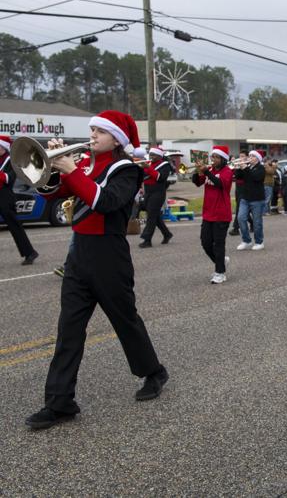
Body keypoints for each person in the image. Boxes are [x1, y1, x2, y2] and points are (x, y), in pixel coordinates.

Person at [25, 110, 167, 430]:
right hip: (79, 256)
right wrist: (49, 166)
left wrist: (74, 170)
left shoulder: (126, 170)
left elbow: (104, 201)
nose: (92, 136)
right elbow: (51, 193)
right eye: (91, 131)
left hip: (109, 254)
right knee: (69, 330)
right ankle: (59, 402)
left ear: (116, 138)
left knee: (124, 320)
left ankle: (153, 371)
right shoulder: (86, 164)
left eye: (99, 132)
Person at [192, 145, 233, 284]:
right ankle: (221, 261)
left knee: (218, 245)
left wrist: (207, 173)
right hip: (208, 212)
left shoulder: (228, 171)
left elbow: (220, 184)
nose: (213, 160)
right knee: (205, 243)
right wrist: (198, 172)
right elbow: (197, 183)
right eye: (213, 157)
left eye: (217, 157)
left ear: (223, 159)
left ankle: (220, 273)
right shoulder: (209, 170)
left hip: (222, 213)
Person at [0, 135, 39, 265]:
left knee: (15, 227)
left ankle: (30, 252)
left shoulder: (12, 161)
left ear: (4, 147)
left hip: (5, 197)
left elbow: (8, 179)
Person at [138, 146, 173, 248]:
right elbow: (144, 177)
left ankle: (147, 240)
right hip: (148, 192)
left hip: (158, 192)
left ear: (159, 156)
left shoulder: (165, 165)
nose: (151, 156)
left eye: (153, 155)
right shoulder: (149, 164)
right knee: (155, 216)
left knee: (151, 216)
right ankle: (167, 234)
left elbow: (160, 177)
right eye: (150, 154)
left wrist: (148, 168)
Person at [235, 150, 266, 251]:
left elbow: (255, 178)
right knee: (240, 218)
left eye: (253, 156)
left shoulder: (261, 168)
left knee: (257, 222)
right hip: (245, 198)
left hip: (257, 199)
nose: (250, 158)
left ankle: (259, 242)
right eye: (250, 156)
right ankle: (246, 240)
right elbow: (238, 177)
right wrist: (238, 168)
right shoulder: (248, 168)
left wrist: (245, 168)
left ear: (258, 159)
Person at [229, 151, 249, 235]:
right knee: (244, 209)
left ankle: (236, 228)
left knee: (238, 209)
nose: (240, 158)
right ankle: (252, 223)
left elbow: (246, 177)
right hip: (238, 188)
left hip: (245, 189)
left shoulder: (248, 166)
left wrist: (242, 167)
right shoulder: (238, 166)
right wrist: (237, 167)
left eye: (242, 156)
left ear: (247, 157)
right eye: (240, 156)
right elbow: (236, 176)